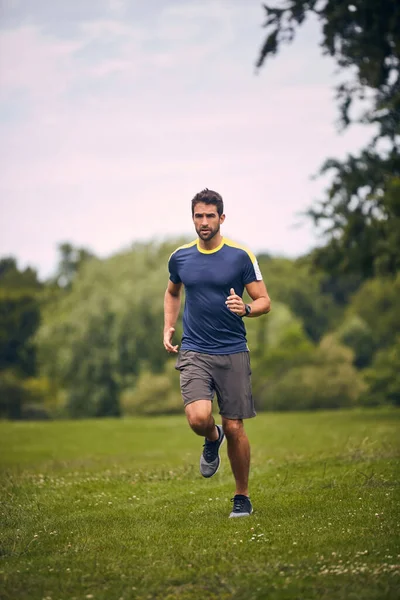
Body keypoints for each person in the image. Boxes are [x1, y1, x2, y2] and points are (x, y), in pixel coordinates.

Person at [163, 188, 271, 517]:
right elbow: (172, 292)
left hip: (232, 351)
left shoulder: (240, 256)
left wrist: (247, 308)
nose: (204, 222)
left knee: (236, 427)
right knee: (197, 417)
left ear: (222, 218)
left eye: (211, 216)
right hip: (195, 349)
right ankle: (212, 437)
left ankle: (242, 495)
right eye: (199, 216)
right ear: (192, 218)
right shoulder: (180, 257)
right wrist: (168, 326)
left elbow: (265, 301)